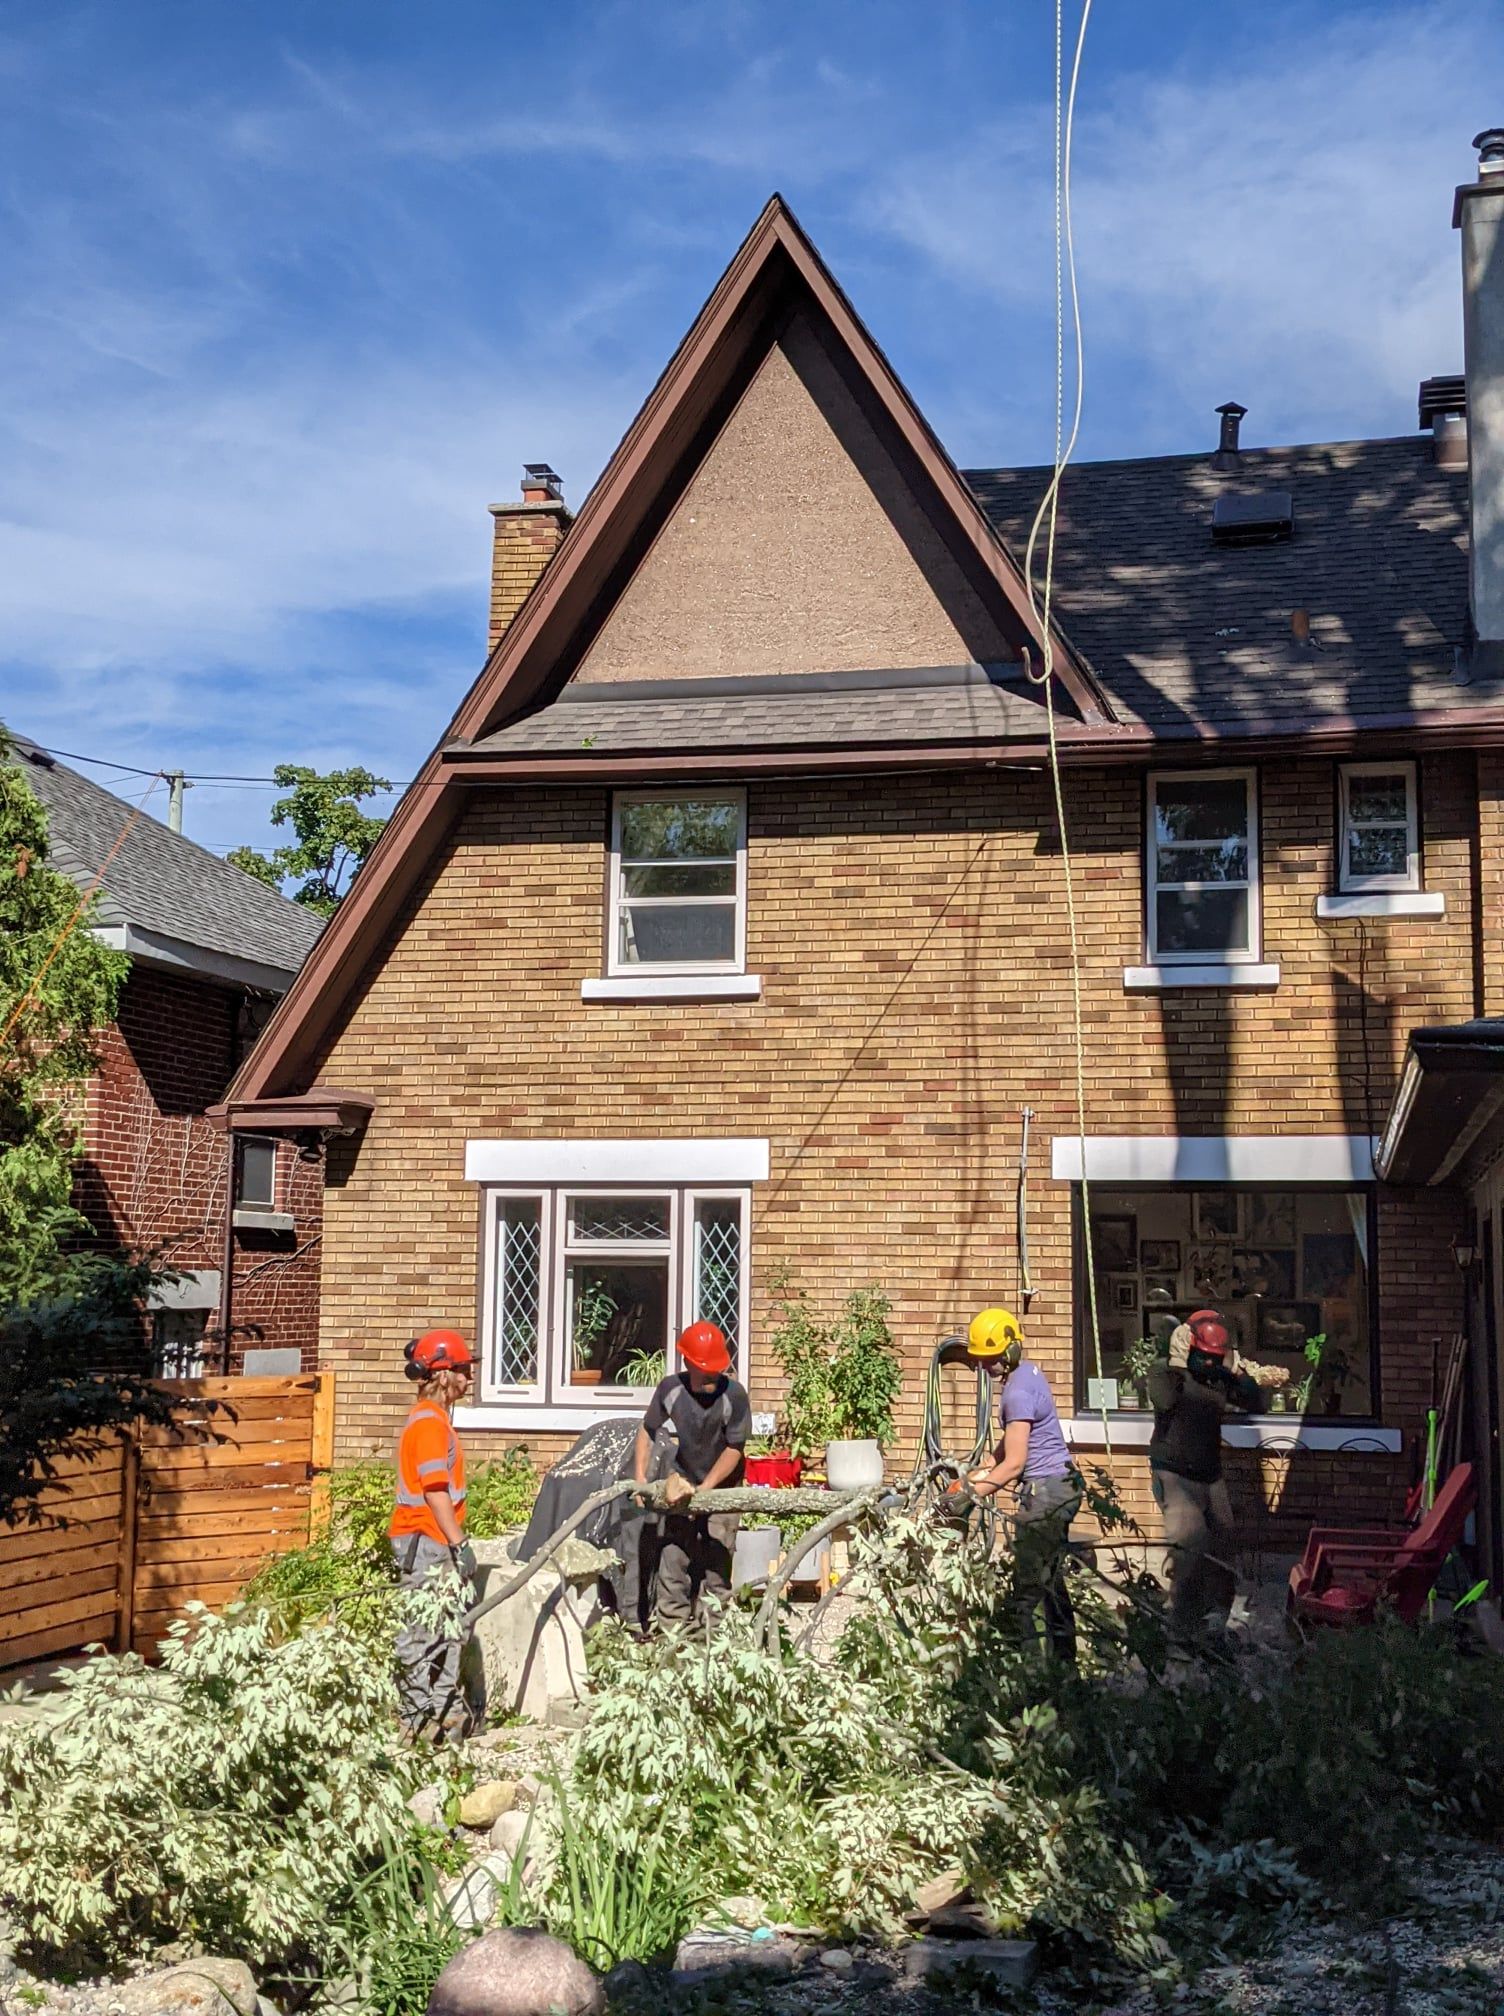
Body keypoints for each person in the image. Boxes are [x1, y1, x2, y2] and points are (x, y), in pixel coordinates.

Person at [965, 1306, 1081, 1662]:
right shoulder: (1028, 1374)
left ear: (1011, 1350)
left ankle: (1024, 1675)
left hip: (1049, 1492)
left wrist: (967, 1497)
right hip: (1062, 1482)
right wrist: (984, 1467)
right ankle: (1065, 1667)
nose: (985, 1366)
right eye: (981, 1360)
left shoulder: (1015, 1392)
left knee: (1025, 1590)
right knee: (1051, 1580)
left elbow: (1015, 1464)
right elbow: (1014, 1442)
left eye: (991, 1358)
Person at [1146, 1309, 1262, 1642]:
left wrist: (1235, 1374)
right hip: (1175, 1474)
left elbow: (1256, 1402)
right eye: (1205, 1357)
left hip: (1210, 1474)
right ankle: (1180, 1636)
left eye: (1215, 1358)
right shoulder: (1167, 1375)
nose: (1209, 1364)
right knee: (1190, 1550)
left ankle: (1215, 1623)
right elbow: (1165, 1399)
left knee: (1225, 1544)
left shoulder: (1218, 1377)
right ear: (1190, 1348)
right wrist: (1180, 1363)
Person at [389, 1328, 478, 1739]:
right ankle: (415, 1719)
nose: (469, 1378)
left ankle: (446, 1714)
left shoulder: (435, 1420)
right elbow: (435, 1490)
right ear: (442, 1376)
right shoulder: (428, 1424)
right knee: (420, 1634)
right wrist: (459, 1543)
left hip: (431, 1541)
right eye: (462, 1370)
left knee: (450, 1630)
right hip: (424, 1541)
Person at [633, 1320, 751, 1628]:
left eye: (716, 1369)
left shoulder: (734, 1396)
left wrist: (707, 1488)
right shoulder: (671, 1390)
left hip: (724, 1486)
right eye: (705, 1369)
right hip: (682, 1478)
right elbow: (647, 1429)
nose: (712, 1375)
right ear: (688, 1362)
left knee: (716, 1560)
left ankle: (712, 1635)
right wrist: (640, 1478)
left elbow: (734, 1448)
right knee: (673, 1557)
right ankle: (672, 1631)